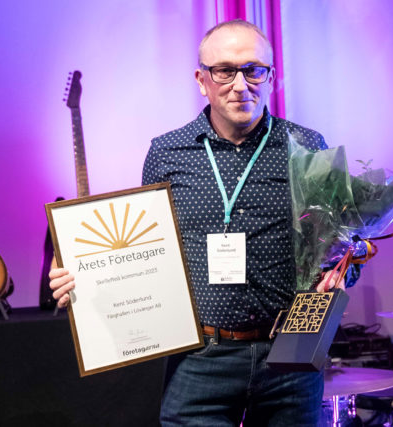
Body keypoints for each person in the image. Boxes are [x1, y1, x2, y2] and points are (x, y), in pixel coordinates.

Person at [50, 19, 348, 426]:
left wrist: (345, 267)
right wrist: (82, 272)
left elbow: (339, 240)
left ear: (271, 77)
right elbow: (142, 249)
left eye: (253, 69)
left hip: (290, 354)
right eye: (224, 70)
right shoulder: (167, 152)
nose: (240, 84)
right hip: (200, 357)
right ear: (201, 79)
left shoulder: (307, 146)